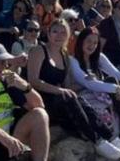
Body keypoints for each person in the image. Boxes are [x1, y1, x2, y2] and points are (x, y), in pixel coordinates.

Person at [26, 18, 112, 152]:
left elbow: (67, 86)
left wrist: (86, 82)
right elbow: (34, 81)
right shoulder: (38, 51)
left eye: (63, 32)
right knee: (68, 98)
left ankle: (108, 135)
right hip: (41, 99)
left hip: (59, 97)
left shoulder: (64, 54)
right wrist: (59, 90)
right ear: (48, 33)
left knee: (80, 99)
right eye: (55, 32)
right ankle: (96, 139)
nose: (59, 35)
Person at [69, 28, 120, 157]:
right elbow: (88, 83)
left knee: (115, 82)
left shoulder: (99, 57)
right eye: (88, 41)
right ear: (81, 42)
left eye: (95, 43)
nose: (92, 45)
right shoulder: (73, 60)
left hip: (101, 93)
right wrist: (117, 88)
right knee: (114, 86)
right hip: (86, 95)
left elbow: (116, 73)